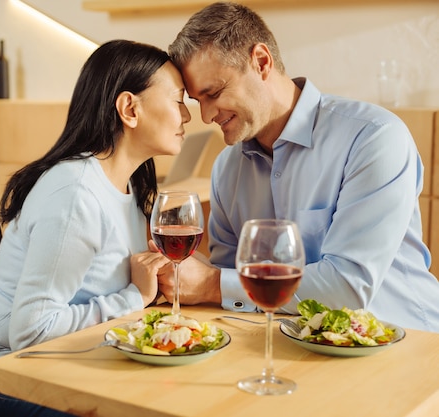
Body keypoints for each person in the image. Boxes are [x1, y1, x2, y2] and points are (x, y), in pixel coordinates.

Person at [153, 1, 439, 332]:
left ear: (261, 62)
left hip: (409, 346)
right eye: (197, 100)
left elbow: (347, 287)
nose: (206, 116)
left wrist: (211, 284)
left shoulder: (374, 138)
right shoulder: (226, 170)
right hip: (293, 349)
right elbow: (232, 292)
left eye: (214, 93)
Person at [0, 39, 190, 417]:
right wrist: (133, 296)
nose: (187, 116)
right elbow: (30, 331)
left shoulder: (131, 185)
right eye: (178, 100)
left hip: (69, 363)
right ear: (129, 108)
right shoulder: (75, 193)